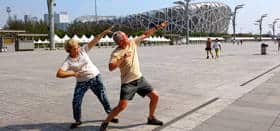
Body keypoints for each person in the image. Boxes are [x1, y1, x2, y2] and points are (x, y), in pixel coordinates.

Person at [99, 21, 168, 131]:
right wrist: (122, 58)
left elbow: (146, 34)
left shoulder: (132, 42)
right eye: (125, 38)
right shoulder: (116, 53)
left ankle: (151, 117)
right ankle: (105, 122)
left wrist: (158, 27)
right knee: (122, 106)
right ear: (120, 42)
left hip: (139, 79)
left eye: (126, 36)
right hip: (128, 83)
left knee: (155, 96)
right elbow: (111, 67)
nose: (127, 39)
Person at [56, 27, 118, 129]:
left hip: (95, 77)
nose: (77, 48)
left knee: (103, 97)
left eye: (77, 46)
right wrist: (72, 74)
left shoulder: (83, 50)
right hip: (82, 82)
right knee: (76, 101)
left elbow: (95, 40)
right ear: (69, 50)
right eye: (75, 48)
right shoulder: (68, 61)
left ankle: (110, 115)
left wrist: (104, 32)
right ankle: (77, 120)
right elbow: (59, 73)